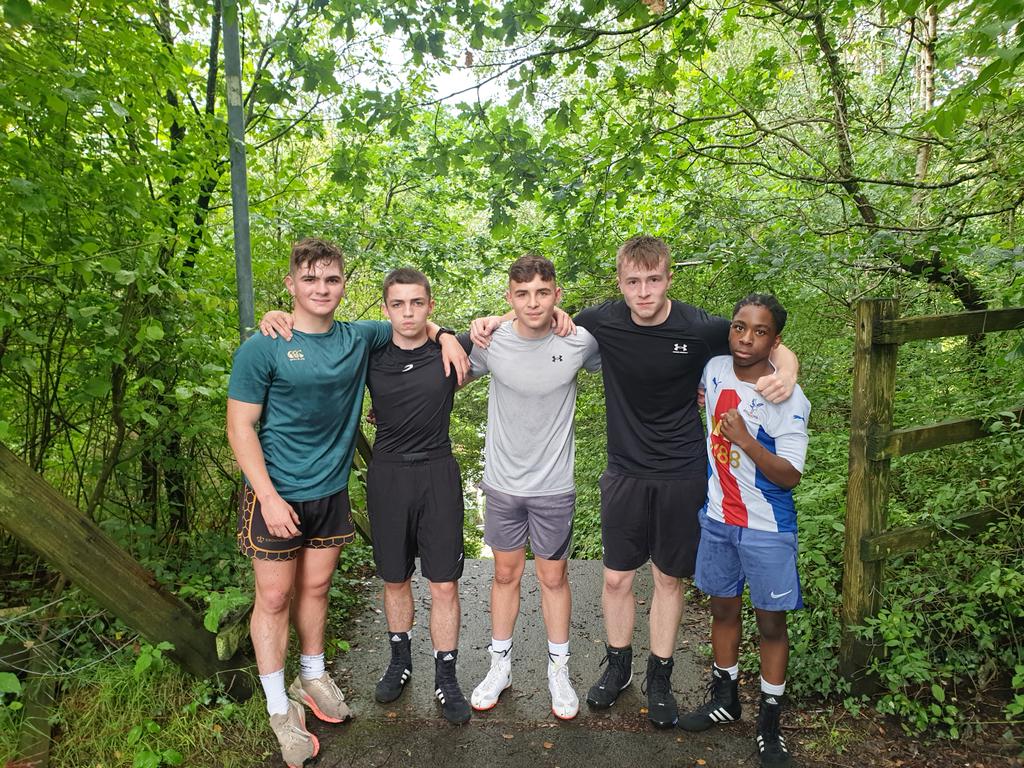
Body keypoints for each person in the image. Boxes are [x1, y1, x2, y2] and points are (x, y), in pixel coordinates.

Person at [471, 235, 798, 729]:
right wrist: (489, 323)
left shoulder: (700, 327)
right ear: (620, 283)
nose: (643, 292)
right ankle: (618, 665)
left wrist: (788, 370)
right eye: (633, 282)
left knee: (668, 579)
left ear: (668, 278)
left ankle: (659, 677)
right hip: (623, 469)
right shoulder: (600, 322)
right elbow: (533, 321)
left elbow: (763, 341)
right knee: (617, 578)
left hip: (683, 471)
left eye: (653, 280)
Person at [227, 238, 388, 767]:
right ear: (291, 285)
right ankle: (279, 707)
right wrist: (268, 498)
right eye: (311, 279)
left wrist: (452, 338)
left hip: (330, 492)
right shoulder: (264, 346)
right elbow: (240, 426)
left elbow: (419, 325)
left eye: (332, 279)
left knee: (316, 587)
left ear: (344, 284)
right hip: (276, 496)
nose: (322, 288)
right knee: (273, 599)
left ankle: (312, 675)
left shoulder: (358, 337)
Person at [467, 254, 602, 720]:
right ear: (509, 296)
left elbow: (633, 358)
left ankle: (558, 671)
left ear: (557, 295)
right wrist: (487, 322)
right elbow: (440, 364)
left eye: (543, 292)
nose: (533, 302)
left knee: (553, 578)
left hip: (553, 488)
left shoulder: (580, 341)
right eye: (521, 294)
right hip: (503, 485)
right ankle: (499, 667)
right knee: (505, 575)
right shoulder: (490, 341)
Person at [678, 294, 809, 768]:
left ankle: (770, 721)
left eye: (759, 331)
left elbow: (790, 475)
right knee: (723, 609)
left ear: (775, 341)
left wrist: (746, 440)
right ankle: (725, 697)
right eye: (739, 327)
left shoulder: (786, 395)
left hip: (767, 527)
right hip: (717, 519)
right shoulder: (713, 369)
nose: (746, 339)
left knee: (771, 622)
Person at [364, 268, 474, 725]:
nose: (408, 313)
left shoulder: (451, 349)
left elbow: (521, 320)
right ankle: (399, 660)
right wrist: (276, 316)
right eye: (398, 304)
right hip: (387, 474)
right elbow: (315, 332)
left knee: (444, 583)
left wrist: (447, 334)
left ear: (430, 304)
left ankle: (446, 677)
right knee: (394, 579)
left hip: (437, 471)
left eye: (417, 303)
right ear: (386, 307)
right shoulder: (368, 353)